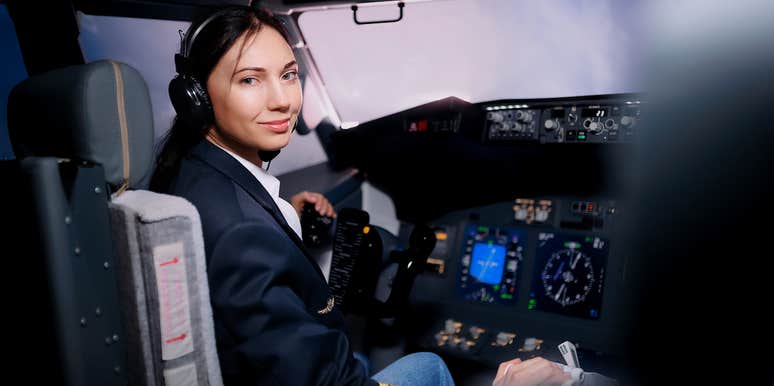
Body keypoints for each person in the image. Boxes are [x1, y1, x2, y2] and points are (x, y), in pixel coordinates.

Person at [149, 5, 454, 386]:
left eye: (288, 75)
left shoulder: (188, 170)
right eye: (249, 80)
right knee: (430, 365)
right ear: (197, 98)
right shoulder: (241, 235)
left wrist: (280, 216)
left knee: (362, 357)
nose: (283, 100)